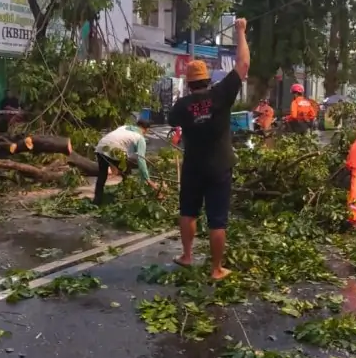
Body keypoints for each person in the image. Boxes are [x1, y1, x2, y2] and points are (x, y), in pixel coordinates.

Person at [168, 18, 250, 280]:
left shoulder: (181, 106)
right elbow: (243, 64)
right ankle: (216, 269)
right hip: (219, 167)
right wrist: (240, 31)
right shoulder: (221, 94)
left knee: (188, 211)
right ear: (206, 78)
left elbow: (172, 121)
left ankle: (187, 255)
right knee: (217, 219)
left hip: (193, 166)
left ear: (189, 82)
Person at [93, 119, 157, 205]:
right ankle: (129, 199)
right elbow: (141, 160)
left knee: (102, 175)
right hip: (115, 149)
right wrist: (147, 179)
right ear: (146, 129)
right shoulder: (140, 138)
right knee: (127, 174)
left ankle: (97, 201)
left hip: (101, 146)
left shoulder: (124, 127)